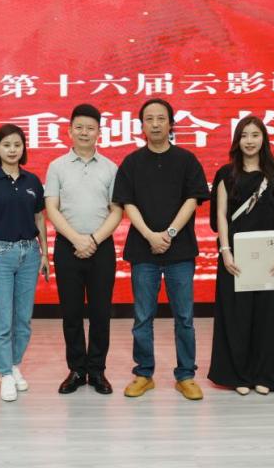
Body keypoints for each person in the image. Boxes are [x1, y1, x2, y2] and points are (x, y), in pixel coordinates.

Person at [112, 98, 210, 401]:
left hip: (180, 251)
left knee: (184, 317)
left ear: (171, 124)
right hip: (143, 252)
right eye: (149, 119)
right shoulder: (132, 162)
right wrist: (150, 236)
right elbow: (127, 203)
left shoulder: (186, 160)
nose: (155, 124)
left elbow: (193, 200)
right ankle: (144, 374)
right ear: (141, 125)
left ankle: (186, 376)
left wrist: (168, 234)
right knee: (143, 316)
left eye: (161, 118)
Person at [208, 115, 274, 395]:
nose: (250, 141)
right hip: (235, 257)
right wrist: (225, 251)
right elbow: (221, 215)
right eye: (244, 135)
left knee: (268, 317)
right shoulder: (226, 174)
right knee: (237, 317)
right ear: (237, 140)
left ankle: (266, 374)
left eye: (255, 135)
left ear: (264, 139)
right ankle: (239, 376)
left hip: (270, 258)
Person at [45, 104, 122, 395]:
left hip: (101, 248)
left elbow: (117, 210)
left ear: (99, 132)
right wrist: (76, 239)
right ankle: (77, 369)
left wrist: (93, 240)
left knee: (101, 312)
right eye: (79, 127)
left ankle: (97, 370)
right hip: (68, 247)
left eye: (90, 128)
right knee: (71, 312)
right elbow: (52, 207)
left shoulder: (110, 168)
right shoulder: (57, 166)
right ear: (69, 131)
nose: (84, 132)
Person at [0, 124, 49, 402]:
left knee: (23, 319)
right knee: (3, 319)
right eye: (6, 145)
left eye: (17, 144)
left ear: (23, 148)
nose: (12, 150)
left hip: (30, 253)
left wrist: (45, 253)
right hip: (0, 253)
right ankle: (5, 374)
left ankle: (14, 365)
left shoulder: (32, 181)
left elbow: (40, 218)